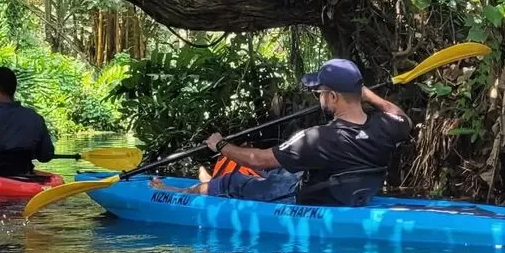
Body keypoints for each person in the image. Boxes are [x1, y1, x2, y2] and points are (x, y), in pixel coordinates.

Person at [150, 59, 411, 207]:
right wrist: (365, 94)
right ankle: (208, 181)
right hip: (348, 191)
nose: (318, 98)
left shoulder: (318, 138)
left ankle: (174, 191)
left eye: (319, 93)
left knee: (234, 182)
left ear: (333, 96)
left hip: (302, 196)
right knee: (280, 169)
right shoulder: (387, 126)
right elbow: (399, 114)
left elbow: (258, 159)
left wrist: (221, 146)